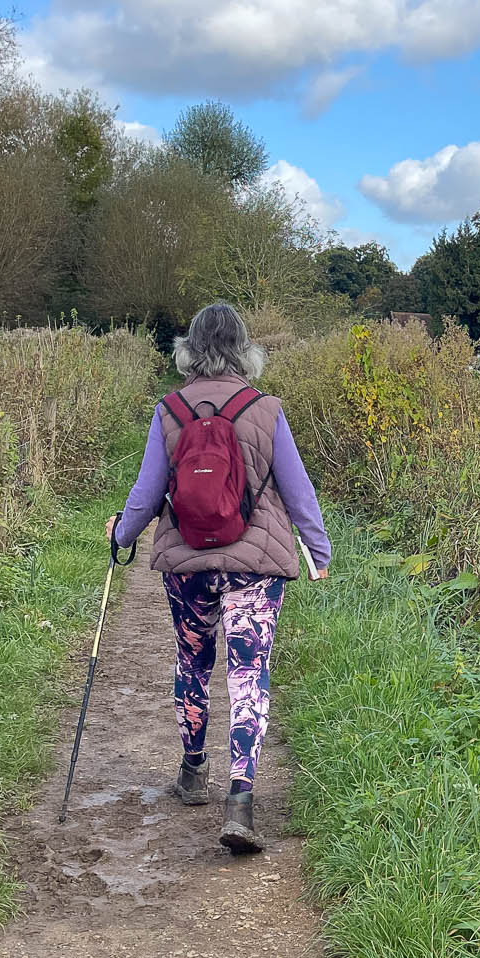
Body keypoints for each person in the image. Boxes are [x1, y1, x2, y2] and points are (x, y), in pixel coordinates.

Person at [107, 302, 330, 855]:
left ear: (190, 349)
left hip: (188, 565)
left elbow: (146, 493)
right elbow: (298, 492)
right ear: (245, 350)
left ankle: (192, 772)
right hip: (254, 567)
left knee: (193, 663)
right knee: (249, 674)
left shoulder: (170, 410)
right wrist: (316, 550)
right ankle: (242, 801)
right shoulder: (266, 410)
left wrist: (122, 536)